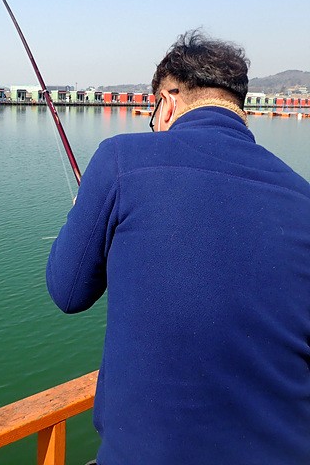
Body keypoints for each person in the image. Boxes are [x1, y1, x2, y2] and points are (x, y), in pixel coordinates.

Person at [46, 30, 310, 465]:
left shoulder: (119, 160)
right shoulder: (302, 196)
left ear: (167, 103)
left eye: (153, 115)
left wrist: (83, 214)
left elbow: (68, 291)